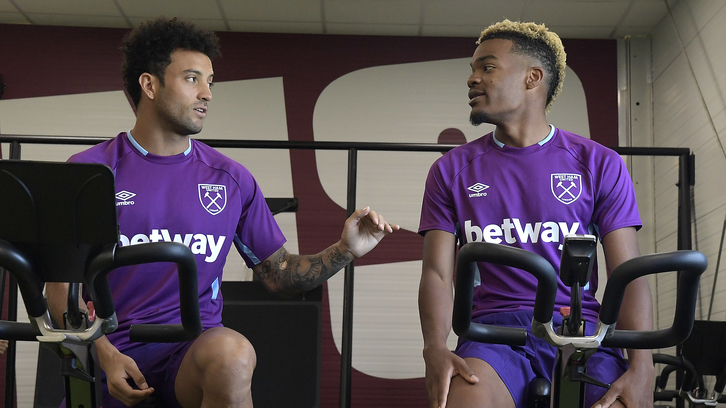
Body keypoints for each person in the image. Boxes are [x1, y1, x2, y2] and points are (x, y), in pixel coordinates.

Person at [46, 17, 398, 408]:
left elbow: (279, 276)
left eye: (210, 82)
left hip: (191, 353)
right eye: (193, 79)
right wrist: (104, 354)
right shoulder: (90, 171)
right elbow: (60, 290)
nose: (208, 94)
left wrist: (345, 249)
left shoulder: (231, 179)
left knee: (232, 354)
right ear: (150, 85)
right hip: (111, 357)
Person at [417, 20, 654, 408]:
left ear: (532, 78)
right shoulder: (451, 170)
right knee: (464, 399)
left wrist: (641, 368)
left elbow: (628, 272)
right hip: (495, 335)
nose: (472, 79)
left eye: (487, 67)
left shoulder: (598, 163)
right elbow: (438, 274)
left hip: (580, 333)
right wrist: (433, 348)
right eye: (472, 70)